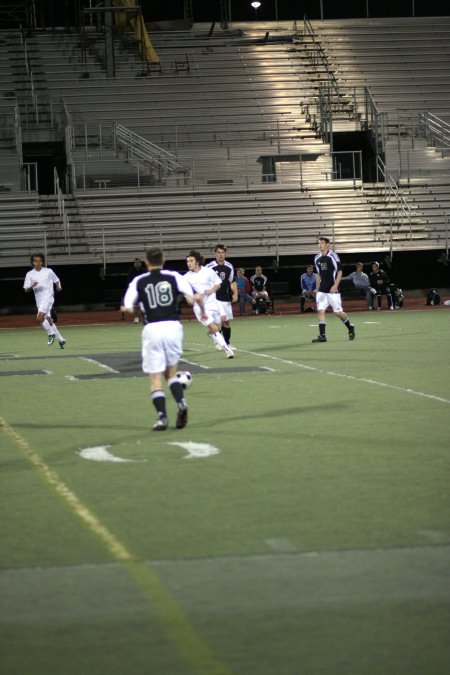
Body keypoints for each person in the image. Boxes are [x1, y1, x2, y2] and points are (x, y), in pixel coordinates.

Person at [122, 246, 206, 431]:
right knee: (170, 372)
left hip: (152, 328)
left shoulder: (139, 280)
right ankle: (181, 403)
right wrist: (204, 312)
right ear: (163, 260)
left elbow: (126, 307)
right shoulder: (175, 276)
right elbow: (195, 297)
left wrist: (138, 310)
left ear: (146, 262)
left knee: (155, 377)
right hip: (173, 327)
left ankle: (162, 418)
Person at [184, 250, 235, 358]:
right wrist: (189, 298)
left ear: (197, 261)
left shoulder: (208, 271)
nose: (188, 263)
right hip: (200, 308)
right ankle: (227, 350)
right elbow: (185, 292)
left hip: (213, 304)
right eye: (187, 261)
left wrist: (211, 290)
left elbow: (218, 284)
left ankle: (214, 334)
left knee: (219, 324)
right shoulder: (186, 277)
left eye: (191, 261)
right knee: (214, 328)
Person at [312, 236, 355, 343]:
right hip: (322, 290)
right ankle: (322, 336)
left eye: (322, 243)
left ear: (327, 244)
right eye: (319, 243)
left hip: (332, 290)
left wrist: (335, 285)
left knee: (338, 312)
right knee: (320, 311)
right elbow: (318, 274)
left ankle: (350, 327)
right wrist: (317, 288)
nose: (320, 245)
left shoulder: (333, 256)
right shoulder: (317, 258)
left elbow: (340, 271)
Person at [23, 253, 66, 349]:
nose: (38, 263)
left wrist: (59, 286)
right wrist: (32, 285)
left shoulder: (48, 271)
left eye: (40, 261)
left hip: (49, 297)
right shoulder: (29, 274)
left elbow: (57, 280)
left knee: (39, 317)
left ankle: (51, 334)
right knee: (48, 320)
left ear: (42, 262)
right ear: (33, 262)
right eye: (35, 261)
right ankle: (61, 340)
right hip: (39, 301)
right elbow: (26, 289)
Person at [205, 244, 238, 348]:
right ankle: (218, 341)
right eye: (218, 252)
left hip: (225, 298)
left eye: (223, 252)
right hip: (213, 299)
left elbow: (232, 282)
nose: (221, 255)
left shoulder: (229, 266)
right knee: (218, 322)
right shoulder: (209, 267)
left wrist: (235, 294)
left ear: (225, 253)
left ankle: (227, 343)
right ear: (215, 253)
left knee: (226, 322)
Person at [122, 257, 146, 322]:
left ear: (141, 263)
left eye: (139, 262)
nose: (137, 264)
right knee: (135, 304)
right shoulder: (131, 272)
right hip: (135, 290)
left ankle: (146, 316)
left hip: (143, 289)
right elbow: (129, 281)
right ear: (134, 264)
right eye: (136, 262)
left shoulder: (144, 271)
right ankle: (136, 318)